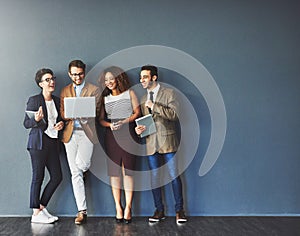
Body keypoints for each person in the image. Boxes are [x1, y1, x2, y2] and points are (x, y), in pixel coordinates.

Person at [135, 65, 187, 224]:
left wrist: (154, 106)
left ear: (154, 78)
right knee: (155, 178)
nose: (141, 80)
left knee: (173, 176)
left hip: (168, 142)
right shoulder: (143, 99)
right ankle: (159, 210)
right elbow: (148, 122)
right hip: (151, 143)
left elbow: (174, 115)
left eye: (144, 77)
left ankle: (179, 210)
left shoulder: (169, 93)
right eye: (141, 77)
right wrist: (140, 129)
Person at [60, 59, 100, 225]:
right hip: (70, 135)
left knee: (80, 165)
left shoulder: (94, 90)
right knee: (75, 173)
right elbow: (63, 113)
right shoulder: (65, 90)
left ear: (85, 72)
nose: (77, 77)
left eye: (80, 74)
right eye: (74, 74)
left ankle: (84, 169)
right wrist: (71, 114)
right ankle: (82, 211)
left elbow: (97, 111)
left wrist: (86, 116)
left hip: (87, 133)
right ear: (70, 74)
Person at [98, 66, 140, 224]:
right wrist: (110, 126)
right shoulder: (105, 97)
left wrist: (124, 121)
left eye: (111, 78)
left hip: (129, 133)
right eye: (106, 79)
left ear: (118, 78)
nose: (109, 82)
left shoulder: (130, 93)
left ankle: (129, 207)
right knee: (114, 172)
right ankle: (118, 207)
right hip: (112, 135)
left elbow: (137, 113)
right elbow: (101, 120)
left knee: (127, 171)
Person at [23, 68, 64, 224]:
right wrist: (37, 120)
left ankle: (41, 207)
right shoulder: (34, 100)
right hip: (38, 143)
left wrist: (61, 124)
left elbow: (60, 120)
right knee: (37, 177)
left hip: (53, 142)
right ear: (41, 84)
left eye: (52, 78)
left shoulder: (57, 100)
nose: (52, 81)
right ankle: (35, 213)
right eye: (47, 80)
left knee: (57, 177)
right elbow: (26, 123)